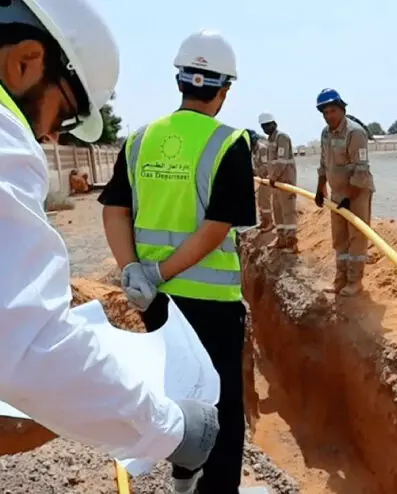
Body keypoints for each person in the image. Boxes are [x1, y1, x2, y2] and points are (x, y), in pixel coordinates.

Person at [0, 1, 218, 492]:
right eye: (63, 115)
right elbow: (27, 344)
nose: (49, 135)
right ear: (27, 60)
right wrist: (171, 430)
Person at [99, 29, 257, 494]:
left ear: (180, 82)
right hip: (211, 304)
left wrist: (133, 270)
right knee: (220, 407)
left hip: (157, 302)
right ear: (224, 91)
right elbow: (217, 227)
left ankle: (183, 477)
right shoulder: (229, 142)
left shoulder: (140, 139)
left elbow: (114, 210)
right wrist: (159, 271)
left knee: (177, 391)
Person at [313, 88, 375, 296]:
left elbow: (361, 170)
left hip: (357, 192)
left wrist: (350, 197)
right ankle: (340, 280)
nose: (328, 116)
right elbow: (324, 163)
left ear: (341, 109)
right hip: (337, 193)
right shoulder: (325, 133)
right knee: (339, 238)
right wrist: (320, 187)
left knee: (356, 237)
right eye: (325, 113)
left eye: (332, 111)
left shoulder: (355, 133)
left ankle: (354, 282)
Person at [258, 113, 298, 253]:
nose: (266, 128)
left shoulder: (282, 138)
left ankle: (291, 243)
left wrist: (273, 177)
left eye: (268, 125)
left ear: (274, 124)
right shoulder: (270, 140)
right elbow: (270, 163)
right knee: (278, 211)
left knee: (288, 212)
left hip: (285, 181)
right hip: (275, 183)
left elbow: (282, 161)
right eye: (263, 126)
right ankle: (281, 240)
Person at [249, 129, 273, 230]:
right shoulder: (254, 150)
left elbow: (266, 166)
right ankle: (264, 222)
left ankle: (269, 223)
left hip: (268, 179)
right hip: (262, 179)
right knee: (260, 202)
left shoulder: (262, 149)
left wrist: (254, 171)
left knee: (264, 202)